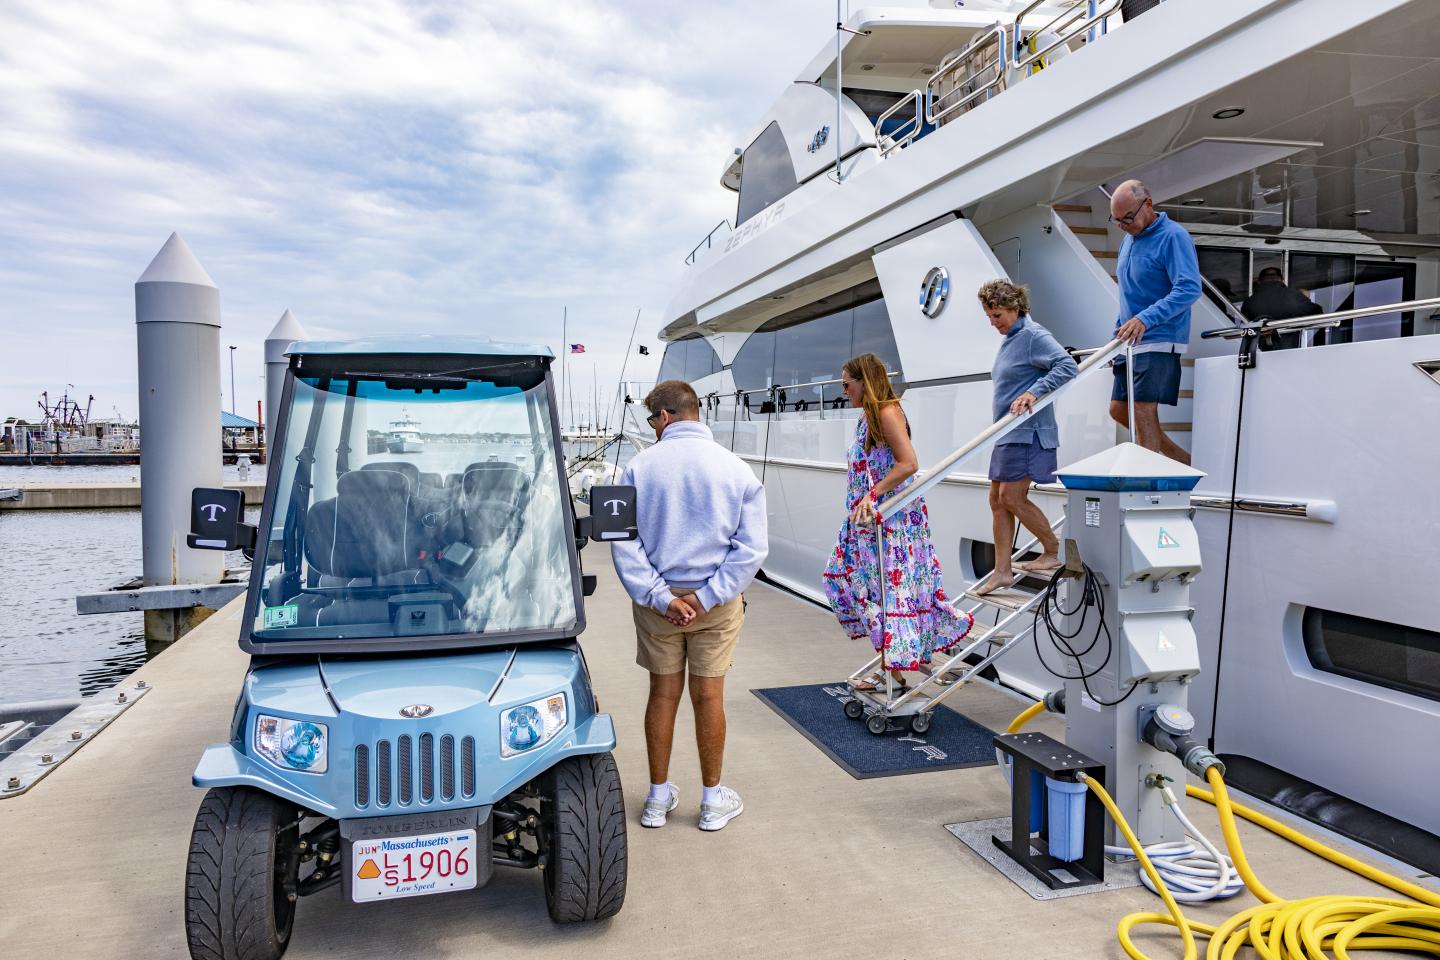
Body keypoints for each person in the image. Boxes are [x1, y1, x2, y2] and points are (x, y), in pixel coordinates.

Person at [611, 380, 767, 833]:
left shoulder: (637, 468)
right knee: (709, 696)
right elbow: (751, 549)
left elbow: (625, 543)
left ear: (663, 416)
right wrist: (705, 597)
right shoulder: (736, 470)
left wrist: (663, 597)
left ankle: (658, 799)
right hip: (714, 603)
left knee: (662, 694)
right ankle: (712, 800)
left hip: (658, 604)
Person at [823, 353, 973, 693]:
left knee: (887, 595)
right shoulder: (866, 417)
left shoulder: (888, 411)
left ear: (864, 381)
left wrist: (872, 495)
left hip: (892, 521)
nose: (844, 390)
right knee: (843, 581)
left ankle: (893, 670)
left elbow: (908, 463)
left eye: (847, 384)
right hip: (865, 520)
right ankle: (903, 660)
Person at [973, 281, 1078, 596]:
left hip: (1028, 433)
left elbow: (1067, 366)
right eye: (990, 317)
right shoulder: (1012, 338)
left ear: (1015, 308)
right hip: (1009, 432)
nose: (994, 323)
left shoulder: (1033, 336)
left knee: (1011, 497)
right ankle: (1002, 571)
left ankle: (1052, 548)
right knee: (996, 500)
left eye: (997, 315)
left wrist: (1034, 391)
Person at [1109, 178, 1199, 465]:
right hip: (1131, 341)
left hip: (1160, 338)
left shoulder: (1173, 236)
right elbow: (1129, 296)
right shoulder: (1128, 240)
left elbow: (1189, 288)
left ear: (1147, 204)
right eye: (1116, 220)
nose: (1122, 225)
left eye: (1127, 218)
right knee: (1118, 409)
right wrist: (1115, 335)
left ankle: (1145, 481)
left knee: (1143, 410)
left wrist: (1145, 319)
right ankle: (1180, 459)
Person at [1241, 266, 1323, 350]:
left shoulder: (1248, 302)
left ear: (1259, 281)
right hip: (1288, 352)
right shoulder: (1293, 296)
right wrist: (1306, 298)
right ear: (1282, 280)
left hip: (1258, 353)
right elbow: (1318, 313)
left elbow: (1244, 326)